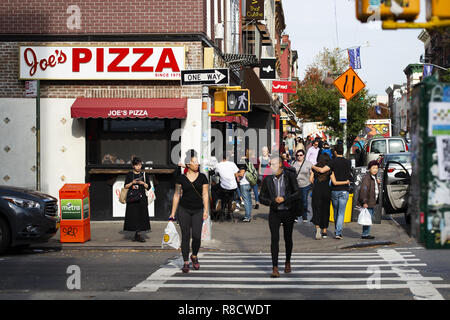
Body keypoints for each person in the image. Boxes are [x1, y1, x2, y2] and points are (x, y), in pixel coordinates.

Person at [259, 156, 300, 278]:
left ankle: (287, 261)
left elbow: (297, 193)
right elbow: (261, 198)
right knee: (274, 239)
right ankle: (275, 267)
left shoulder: (289, 177)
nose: (271, 167)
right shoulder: (267, 180)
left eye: (273, 164)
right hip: (275, 212)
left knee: (288, 238)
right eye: (270, 164)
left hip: (288, 211)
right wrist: (272, 201)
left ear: (281, 165)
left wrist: (285, 198)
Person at [169, 152, 209, 273]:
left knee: (196, 236)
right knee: (185, 236)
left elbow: (205, 194)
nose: (197, 164)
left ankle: (194, 256)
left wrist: (206, 210)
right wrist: (172, 213)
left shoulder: (203, 177)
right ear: (188, 164)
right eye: (194, 162)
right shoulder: (181, 178)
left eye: (197, 162)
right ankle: (186, 261)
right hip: (184, 209)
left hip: (198, 210)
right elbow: (176, 195)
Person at [312, 144, 352, 239]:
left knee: (335, 211)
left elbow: (322, 170)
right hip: (345, 190)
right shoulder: (348, 162)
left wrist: (313, 167)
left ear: (335, 152)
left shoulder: (333, 162)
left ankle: (334, 229)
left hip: (334, 190)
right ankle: (338, 232)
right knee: (341, 213)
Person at [123, 157, 151, 243]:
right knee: (133, 216)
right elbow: (125, 186)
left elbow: (149, 187)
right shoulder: (129, 174)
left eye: (140, 165)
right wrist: (132, 182)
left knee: (142, 216)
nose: (139, 167)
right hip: (132, 198)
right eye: (137, 165)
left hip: (142, 198)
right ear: (133, 166)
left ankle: (138, 234)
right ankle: (136, 234)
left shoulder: (144, 174)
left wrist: (143, 183)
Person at [358, 160, 381, 240]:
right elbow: (364, 190)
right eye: (373, 168)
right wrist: (364, 201)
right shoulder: (367, 178)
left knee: (368, 217)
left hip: (372, 201)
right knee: (368, 217)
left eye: (376, 168)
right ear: (369, 168)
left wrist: (378, 183)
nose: (375, 170)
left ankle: (365, 233)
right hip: (368, 201)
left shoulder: (373, 177)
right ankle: (365, 234)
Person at [292, 149, 313, 223]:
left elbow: (312, 171)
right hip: (296, 185)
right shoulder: (293, 163)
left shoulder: (308, 163)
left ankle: (304, 216)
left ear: (304, 156)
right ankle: (296, 216)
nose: (299, 157)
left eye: (301, 155)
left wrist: (311, 177)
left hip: (305, 185)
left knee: (304, 201)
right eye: (297, 155)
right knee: (296, 201)